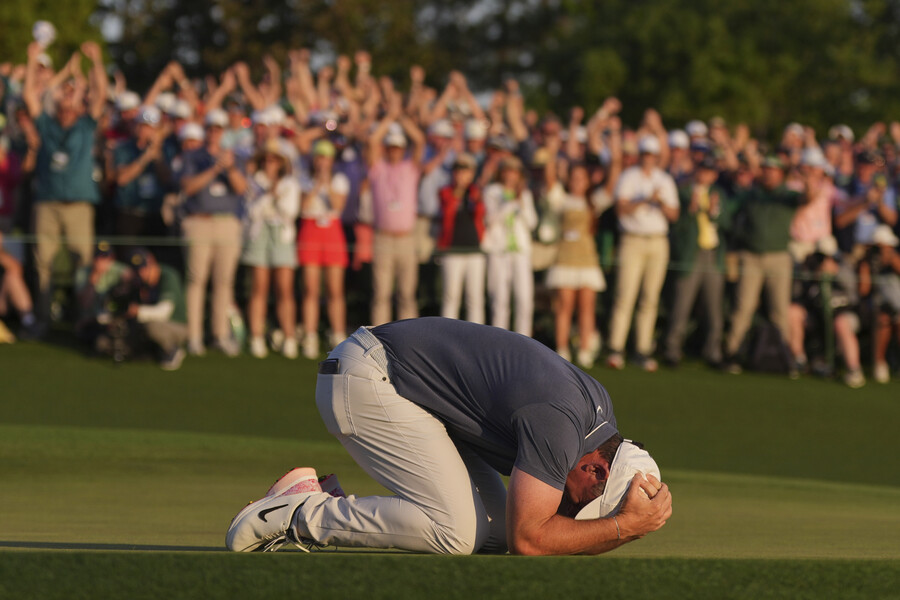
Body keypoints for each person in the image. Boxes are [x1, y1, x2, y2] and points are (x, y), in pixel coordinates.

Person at [225, 317, 672, 555]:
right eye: (581, 503)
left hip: (397, 384)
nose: (572, 511)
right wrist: (623, 526)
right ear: (596, 467)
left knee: (492, 534)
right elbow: (531, 540)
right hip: (367, 376)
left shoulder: (595, 419)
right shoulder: (561, 425)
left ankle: (311, 493)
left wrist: (623, 526)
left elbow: (523, 539)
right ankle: (297, 514)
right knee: (457, 533)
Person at [23, 40, 108, 331]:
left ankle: (83, 321)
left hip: (78, 205)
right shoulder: (47, 124)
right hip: (47, 203)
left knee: (82, 266)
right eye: (64, 95)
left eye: (73, 96)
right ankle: (42, 320)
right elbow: (29, 97)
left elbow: (101, 94)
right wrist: (32, 60)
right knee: (42, 265)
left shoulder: (86, 125)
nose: (68, 101)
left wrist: (96, 62)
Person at [723, 156, 808, 375]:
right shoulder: (751, 194)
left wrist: (806, 176)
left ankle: (783, 355)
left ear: (781, 173)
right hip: (751, 256)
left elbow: (808, 198)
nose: (769, 173)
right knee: (743, 308)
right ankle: (732, 353)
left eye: (773, 170)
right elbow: (728, 214)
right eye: (766, 169)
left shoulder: (787, 195)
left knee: (779, 310)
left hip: (779, 257)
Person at [606, 136, 679, 371]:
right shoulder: (629, 176)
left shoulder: (665, 180)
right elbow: (621, 209)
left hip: (657, 241)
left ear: (657, 157)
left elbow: (674, 214)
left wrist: (659, 202)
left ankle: (642, 349)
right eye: (645, 154)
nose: (648, 158)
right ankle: (616, 347)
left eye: (652, 154)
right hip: (632, 240)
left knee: (650, 298)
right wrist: (646, 199)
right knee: (625, 295)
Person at [179, 108, 248, 356]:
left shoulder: (234, 157)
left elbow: (242, 189)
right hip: (199, 222)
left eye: (218, 129)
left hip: (227, 223)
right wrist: (214, 169)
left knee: (224, 282)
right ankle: (194, 336)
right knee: (196, 280)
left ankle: (219, 334)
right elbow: (188, 187)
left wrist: (228, 168)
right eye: (210, 129)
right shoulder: (192, 156)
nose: (214, 134)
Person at [543, 145, 607, 367]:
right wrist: (552, 155)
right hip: (565, 259)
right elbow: (550, 180)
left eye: (582, 178)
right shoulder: (562, 199)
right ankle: (562, 348)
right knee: (564, 306)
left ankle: (585, 349)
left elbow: (612, 181)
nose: (578, 181)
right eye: (575, 177)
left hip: (587, 261)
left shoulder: (594, 202)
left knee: (587, 307)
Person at [366, 95, 425, 325]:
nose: (394, 151)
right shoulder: (378, 169)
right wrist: (389, 119)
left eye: (398, 148)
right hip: (383, 238)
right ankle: (379, 338)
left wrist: (399, 116)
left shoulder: (410, 168)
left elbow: (419, 140)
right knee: (381, 295)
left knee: (407, 295)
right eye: (391, 147)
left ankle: (408, 343)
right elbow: (372, 142)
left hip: (406, 239)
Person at [663, 155, 727, 367]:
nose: (706, 175)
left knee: (714, 309)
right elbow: (676, 227)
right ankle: (672, 349)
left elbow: (727, 223)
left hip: (712, 254)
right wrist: (689, 212)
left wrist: (714, 212)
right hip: (691, 254)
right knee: (681, 305)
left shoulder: (719, 195)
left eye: (710, 171)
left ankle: (713, 352)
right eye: (703, 170)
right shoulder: (683, 193)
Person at [242, 138, 301, 359]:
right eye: (266, 160)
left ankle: (289, 337)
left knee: (284, 289)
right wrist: (270, 196)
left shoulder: (290, 184)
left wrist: (272, 196)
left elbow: (290, 211)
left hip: (282, 237)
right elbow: (252, 212)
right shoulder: (254, 181)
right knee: (259, 288)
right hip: (260, 235)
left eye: (274, 160)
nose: (270, 163)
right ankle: (256, 336)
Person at [297, 139, 350, 358]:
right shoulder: (304, 179)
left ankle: (337, 333)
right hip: (310, 231)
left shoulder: (339, 180)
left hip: (332, 232)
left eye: (326, 157)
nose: (323, 161)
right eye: (319, 157)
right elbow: (303, 207)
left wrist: (326, 184)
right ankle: (309, 334)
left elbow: (337, 206)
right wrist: (317, 184)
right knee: (310, 289)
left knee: (335, 290)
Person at [482, 156, 537, 336]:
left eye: (514, 171)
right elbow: (491, 220)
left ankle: (525, 339)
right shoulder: (492, 192)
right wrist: (511, 202)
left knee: (524, 298)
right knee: (500, 299)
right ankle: (499, 339)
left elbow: (532, 223)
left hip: (520, 252)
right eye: (507, 170)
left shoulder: (525, 195)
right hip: (499, 251)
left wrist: (520, 201)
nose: (511, 175)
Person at [436, 152, 486, 323]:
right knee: (451, 296)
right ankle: (447, 336)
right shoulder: (446, 192)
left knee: (475, 298)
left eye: (466, 171)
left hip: (474, 250)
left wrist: (472, 193)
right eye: (459, 170)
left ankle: (477, 339)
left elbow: (480, 214)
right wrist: (459, 189)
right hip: (453, 250)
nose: (462, 175)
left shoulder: (476, 193)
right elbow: (448, 210)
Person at [127, 247, 188, 370]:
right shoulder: (139, 282)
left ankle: (171, 349)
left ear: (151, 262)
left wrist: (138, 311)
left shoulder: (168, 275)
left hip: (177, 325)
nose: (141, 272)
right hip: (155, 322)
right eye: (137, 270)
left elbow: (164, 312)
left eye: (144, 267)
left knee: (151, 326)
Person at [859, 225, 900, 383]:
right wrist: (867, 265)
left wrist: (891, 259)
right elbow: (864, 289)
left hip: (897, 306)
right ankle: (879, 363)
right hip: (877, 306)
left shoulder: (894, 258)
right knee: (883, 319)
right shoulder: (868, 262)